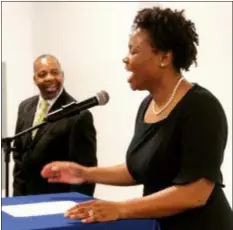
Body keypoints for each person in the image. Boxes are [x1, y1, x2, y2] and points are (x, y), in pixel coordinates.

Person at [41, 7, 233, 230]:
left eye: (133, 51)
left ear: (164, 58)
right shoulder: (147, 105)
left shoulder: (201, 107)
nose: (126, 58)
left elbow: (196, 192)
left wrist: (120, 208)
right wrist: (84, 173)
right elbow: (138, 169)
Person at [13, 54, 97, 196]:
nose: (50, 78)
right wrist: (17, 199)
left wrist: (75, 208)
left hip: (57, 203)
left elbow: (85, 172)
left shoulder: (79, 116)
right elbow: (19, 155)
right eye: (42, 74)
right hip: (25, 201)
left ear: (62, 76)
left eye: (55, 72)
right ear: (35, 79)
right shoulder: (25, 107)